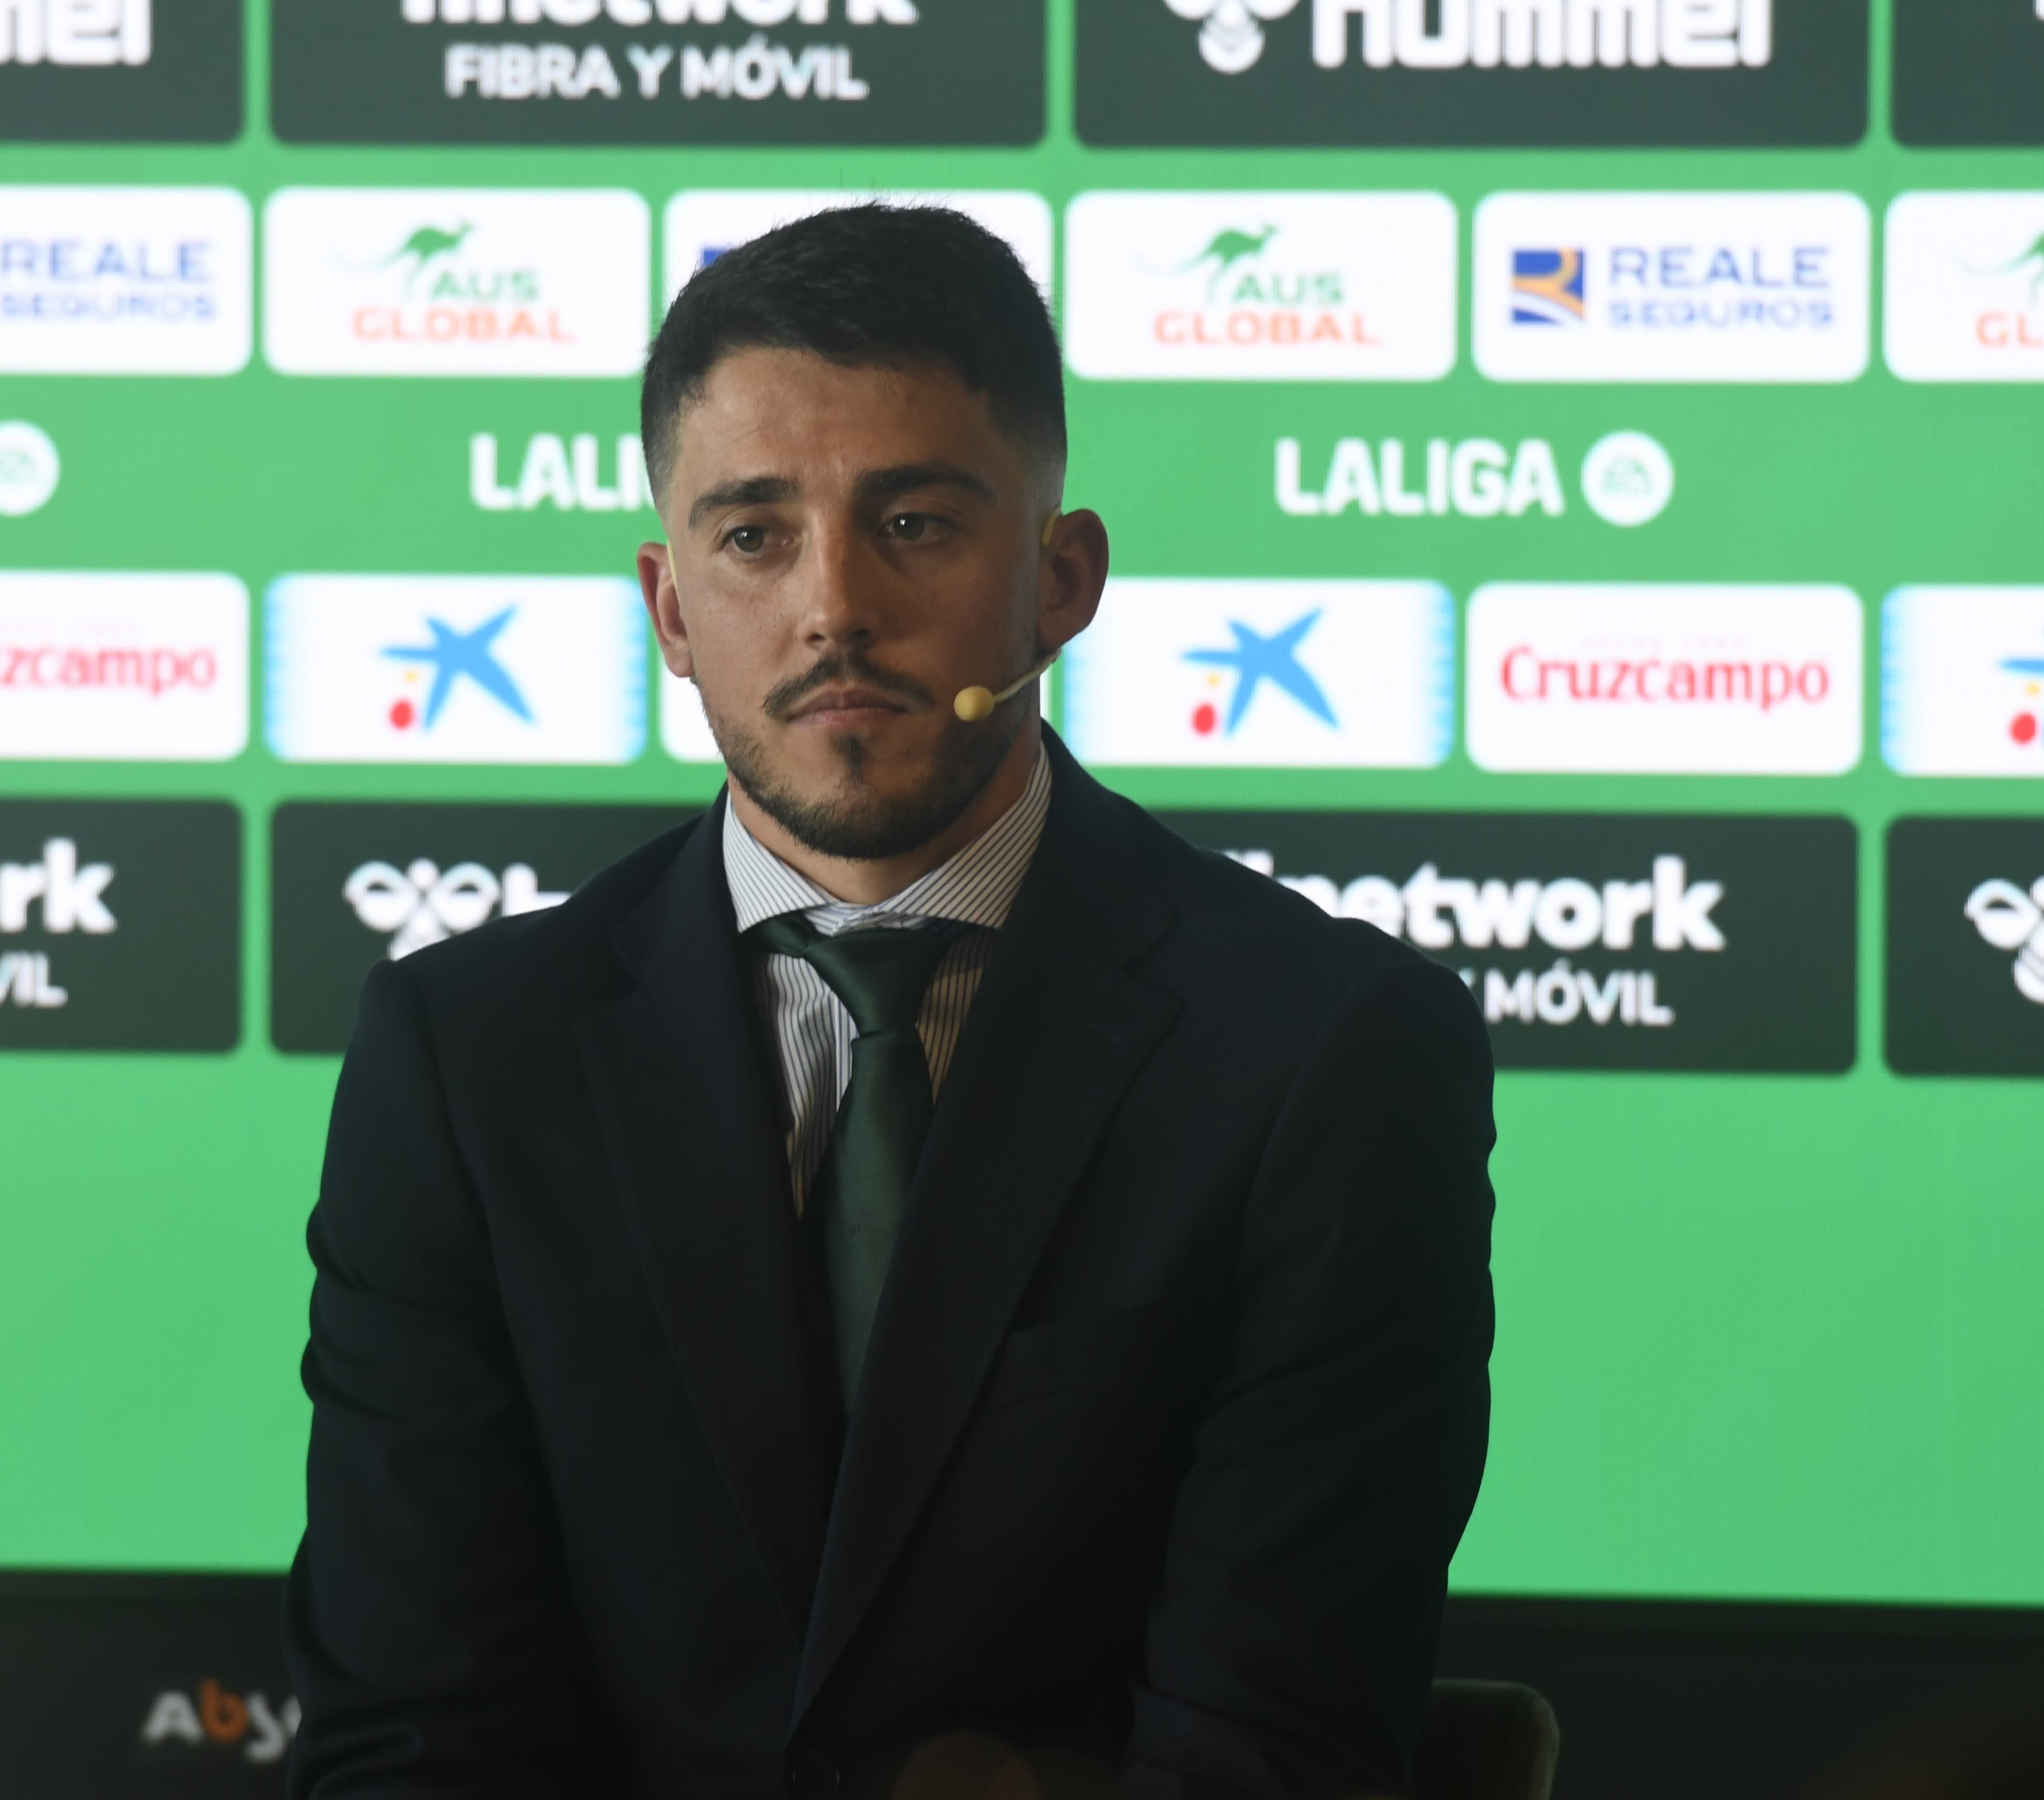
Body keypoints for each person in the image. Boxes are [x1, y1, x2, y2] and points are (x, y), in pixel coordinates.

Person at [283, 204, 1496, 1799]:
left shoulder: (1332, 1053)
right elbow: (414, 1744)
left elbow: (1267, 1758)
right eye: (753, 535)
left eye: (915, 523)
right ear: (670, 609)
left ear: (1062, 578)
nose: (833, 606)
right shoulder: (461, 1062)